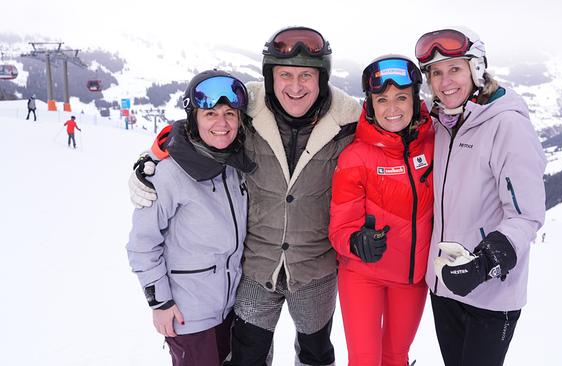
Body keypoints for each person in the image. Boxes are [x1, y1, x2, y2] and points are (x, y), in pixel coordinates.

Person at [128, 26, 361, 366]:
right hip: (256, 268)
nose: (295, 87)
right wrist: (151, 157)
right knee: (247, 356)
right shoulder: (251, 111)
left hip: (315, 268)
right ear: (270, 76)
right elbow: (195, 129)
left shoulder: (348, 123)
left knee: (316, 354)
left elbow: (388, 149)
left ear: (322, 78)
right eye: (285, 75)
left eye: (306, 76)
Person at [414, 27, 547, 366]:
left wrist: (485, 262)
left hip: (492, 294)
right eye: (437, 73)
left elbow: (526, 215)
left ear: (475, 69)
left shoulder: (506, 126)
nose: (445, 82)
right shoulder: (441, 123)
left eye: (455, 69)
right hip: (444, 286)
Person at [126, 70, 255, 366]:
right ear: (194, 118)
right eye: (210, 114)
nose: (222, 124)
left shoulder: (236, 164)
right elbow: (142, 245)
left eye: (230, 114)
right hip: (190, 314)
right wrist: (160, 302)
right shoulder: (168, 174)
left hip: (231, 308)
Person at [329, 55, 433, 365]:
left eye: (401, 97)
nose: (392, 108)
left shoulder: (433, 144)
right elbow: (339, 228)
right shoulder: (355, 157)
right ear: (370, 104)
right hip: (364, 275)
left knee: (396, 357)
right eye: (382, 99)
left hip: (413, 276)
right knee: (364, 360)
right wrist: (356, 241)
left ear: (415, 99)